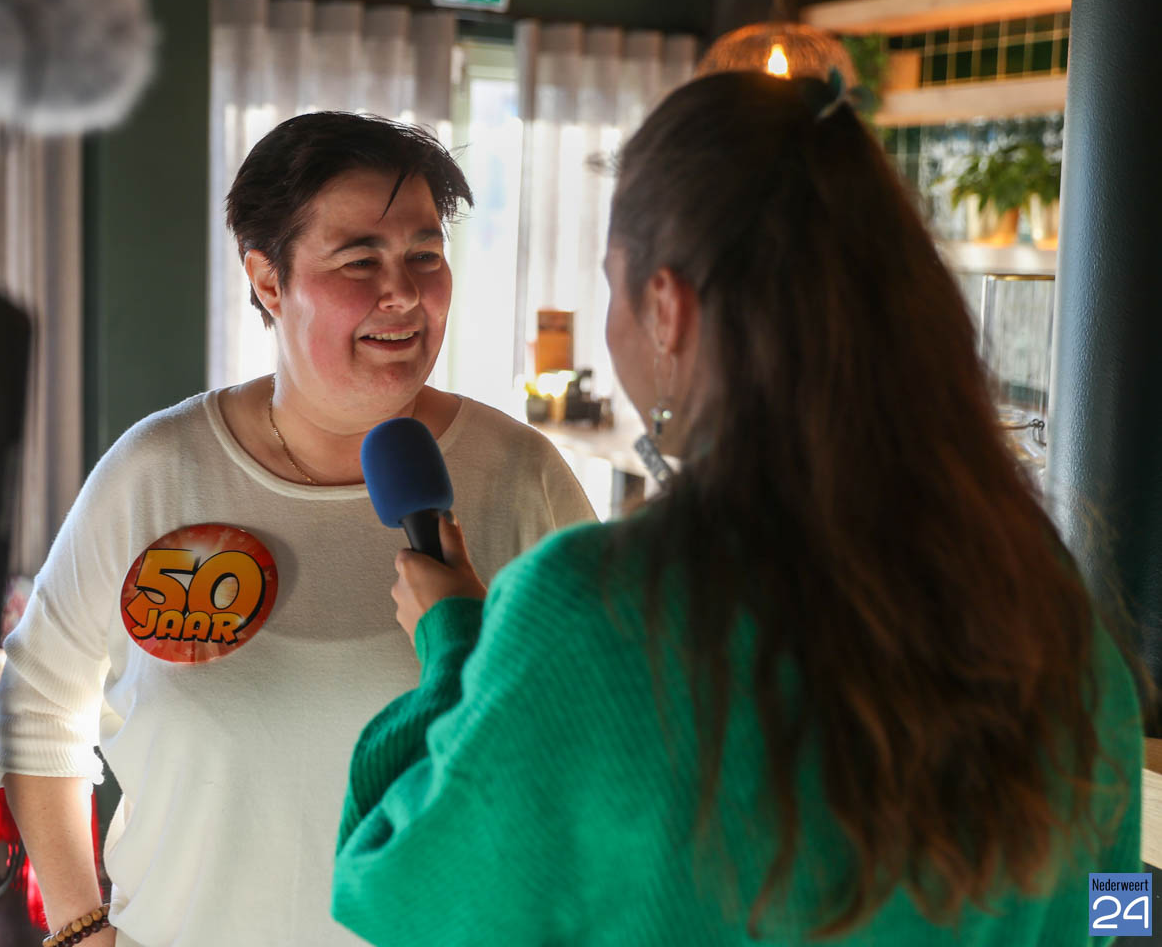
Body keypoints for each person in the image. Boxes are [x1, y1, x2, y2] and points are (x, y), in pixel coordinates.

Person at [332, 72, 1147, 945]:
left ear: (666, 307)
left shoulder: (598, 612)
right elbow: (1120, 901)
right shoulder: (1043, 597)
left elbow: (392, 887)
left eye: (612, 287)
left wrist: (456, 649)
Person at [0, 111, 595, 947]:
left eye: (425, 255)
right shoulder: (158, 470)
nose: (404, 293)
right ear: (268, 282)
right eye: (361, 261)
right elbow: (37, 698)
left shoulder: (521, 478)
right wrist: (78, 924)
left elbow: (599, 750)